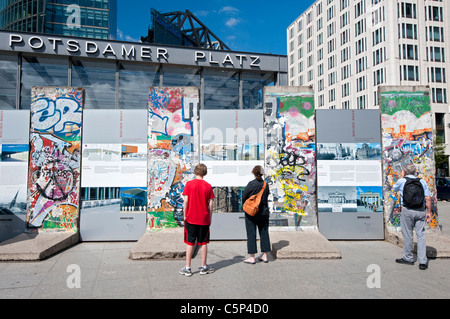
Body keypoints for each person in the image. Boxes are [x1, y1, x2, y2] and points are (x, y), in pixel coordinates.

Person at [393, 163, 432, 270]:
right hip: (420, 210)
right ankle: (423, 262)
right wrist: (428, 212)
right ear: (415, 172)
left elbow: (394, 189)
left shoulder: (402, 181)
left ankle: (408, 258)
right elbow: (428, 198)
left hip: (407, 210)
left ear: (404, 172)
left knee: (408, 234)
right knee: (421, 235)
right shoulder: (422, 181)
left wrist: (402, 177)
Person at [179, 163, 215, 277]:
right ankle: (204, 266)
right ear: (205, 173)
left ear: (195, 172)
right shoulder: (208, 186)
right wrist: (210, 218)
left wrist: (185, 215)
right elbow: (211, 204)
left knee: (190, 242)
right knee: (203, 243)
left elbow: (186, 201)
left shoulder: (189, 184)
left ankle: (188, 267)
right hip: (204, 219)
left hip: (191, 218)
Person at [242, 165, 271, 264]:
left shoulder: (251, 184)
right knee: (264, 232)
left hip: (252, 212)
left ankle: (252, 257)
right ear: (262, 173)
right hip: (264, 212)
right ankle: (265, 256)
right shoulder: (265, 185)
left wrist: (246, 206)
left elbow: (244, 196)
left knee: (251, 233)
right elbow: (266, 197)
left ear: (254, 173)